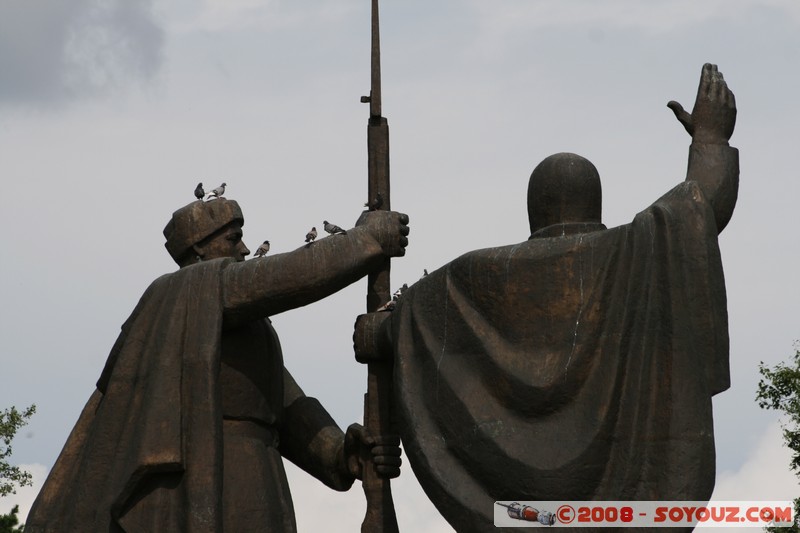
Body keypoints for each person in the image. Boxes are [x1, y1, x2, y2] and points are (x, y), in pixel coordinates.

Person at [363, 64, 738, 532]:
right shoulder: (636, 253)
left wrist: (380, 331)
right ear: (595, 201)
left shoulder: (474, 276)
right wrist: (711, 138)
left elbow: (406, 322)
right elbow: (700, 207)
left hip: (518, 516)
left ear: (532, 208)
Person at [26, 197, 409, 532]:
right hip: (216, 470)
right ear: (197, 250)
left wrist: (340, 453)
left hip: (260, 476)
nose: (244, 249)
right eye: (232, 238)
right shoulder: (189, 288)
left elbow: (286, 406)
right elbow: (287, 277)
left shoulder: (236, 326)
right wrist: (366, 241)